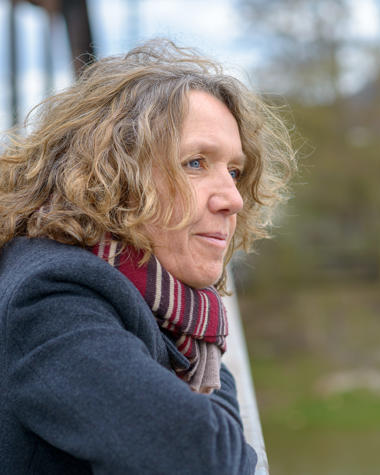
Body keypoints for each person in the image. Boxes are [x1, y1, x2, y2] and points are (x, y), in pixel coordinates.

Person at [0, 39, 295, 474]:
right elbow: (201, 456)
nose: (232, 198)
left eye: (234, 171)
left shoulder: (173, 310)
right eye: (196, 163)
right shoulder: (52, 296)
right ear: (112, 174)